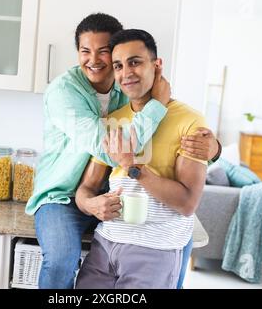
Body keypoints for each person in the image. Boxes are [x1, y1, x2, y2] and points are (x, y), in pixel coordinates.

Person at [25, 13, 220, 289]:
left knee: (181, 239)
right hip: (63, 196)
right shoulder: (63, 93)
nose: (94, 60)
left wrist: (214, 148)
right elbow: (111, 151)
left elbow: (183, 182)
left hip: (112, 200)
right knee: (60, 260)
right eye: (85, 51)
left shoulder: (124, 88)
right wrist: (158, 104)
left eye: (104, 52)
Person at [74, 29, 208, 288]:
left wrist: (132, 166)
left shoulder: (190, 121)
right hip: (105, 246)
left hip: (154, 250)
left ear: (157, 66)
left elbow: (187, 202)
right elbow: (86, 189)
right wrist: (91, 205)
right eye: (118, 65)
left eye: (135, 62)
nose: (126, 73)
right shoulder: (115, 118)